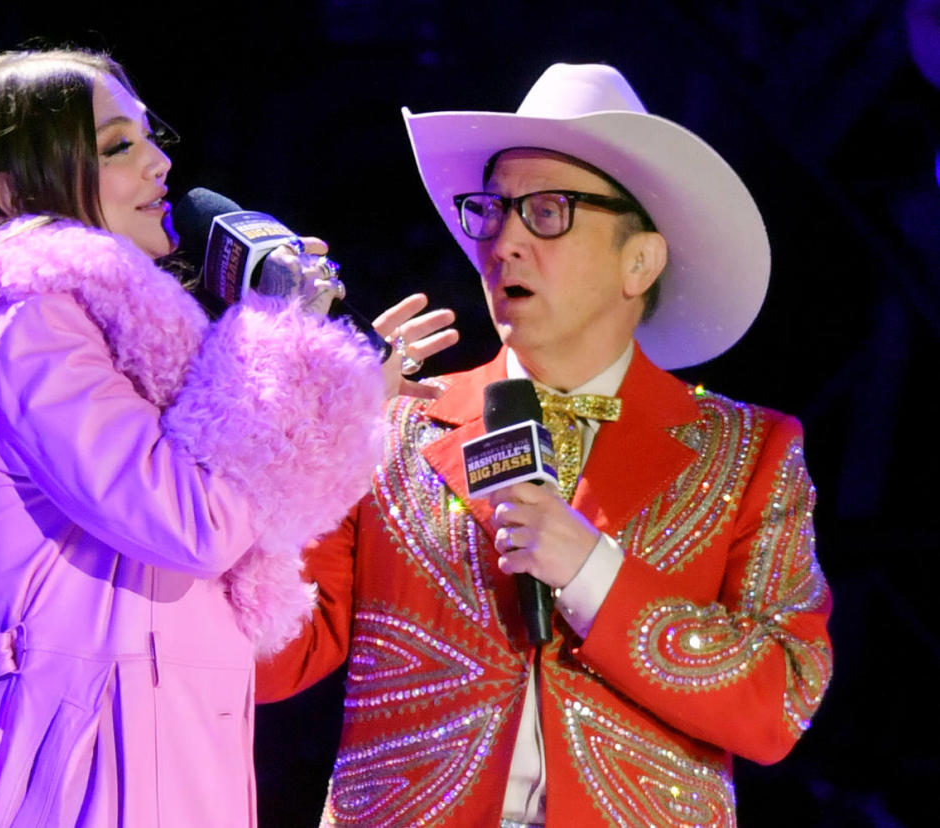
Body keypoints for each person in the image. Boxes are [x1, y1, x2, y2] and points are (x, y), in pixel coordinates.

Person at [0, 48, 453, 827]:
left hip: (150, 756)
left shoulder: (112, 342)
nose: (161, 163)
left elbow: (238, 501)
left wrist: (337, 394)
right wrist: (275, 339)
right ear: (16, 189)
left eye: (151, 138)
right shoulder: (29, 324)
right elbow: (195, 519)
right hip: (78, 771)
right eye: (118, 147)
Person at [257, 63, 833, 827]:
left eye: (549, 211)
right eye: (491, 212)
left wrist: (592, 571)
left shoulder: (748, 450)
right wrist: (288, 430)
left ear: (640, 261)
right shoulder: (389, 423)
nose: (505, 241)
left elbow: (779, 703)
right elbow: (267, 658)